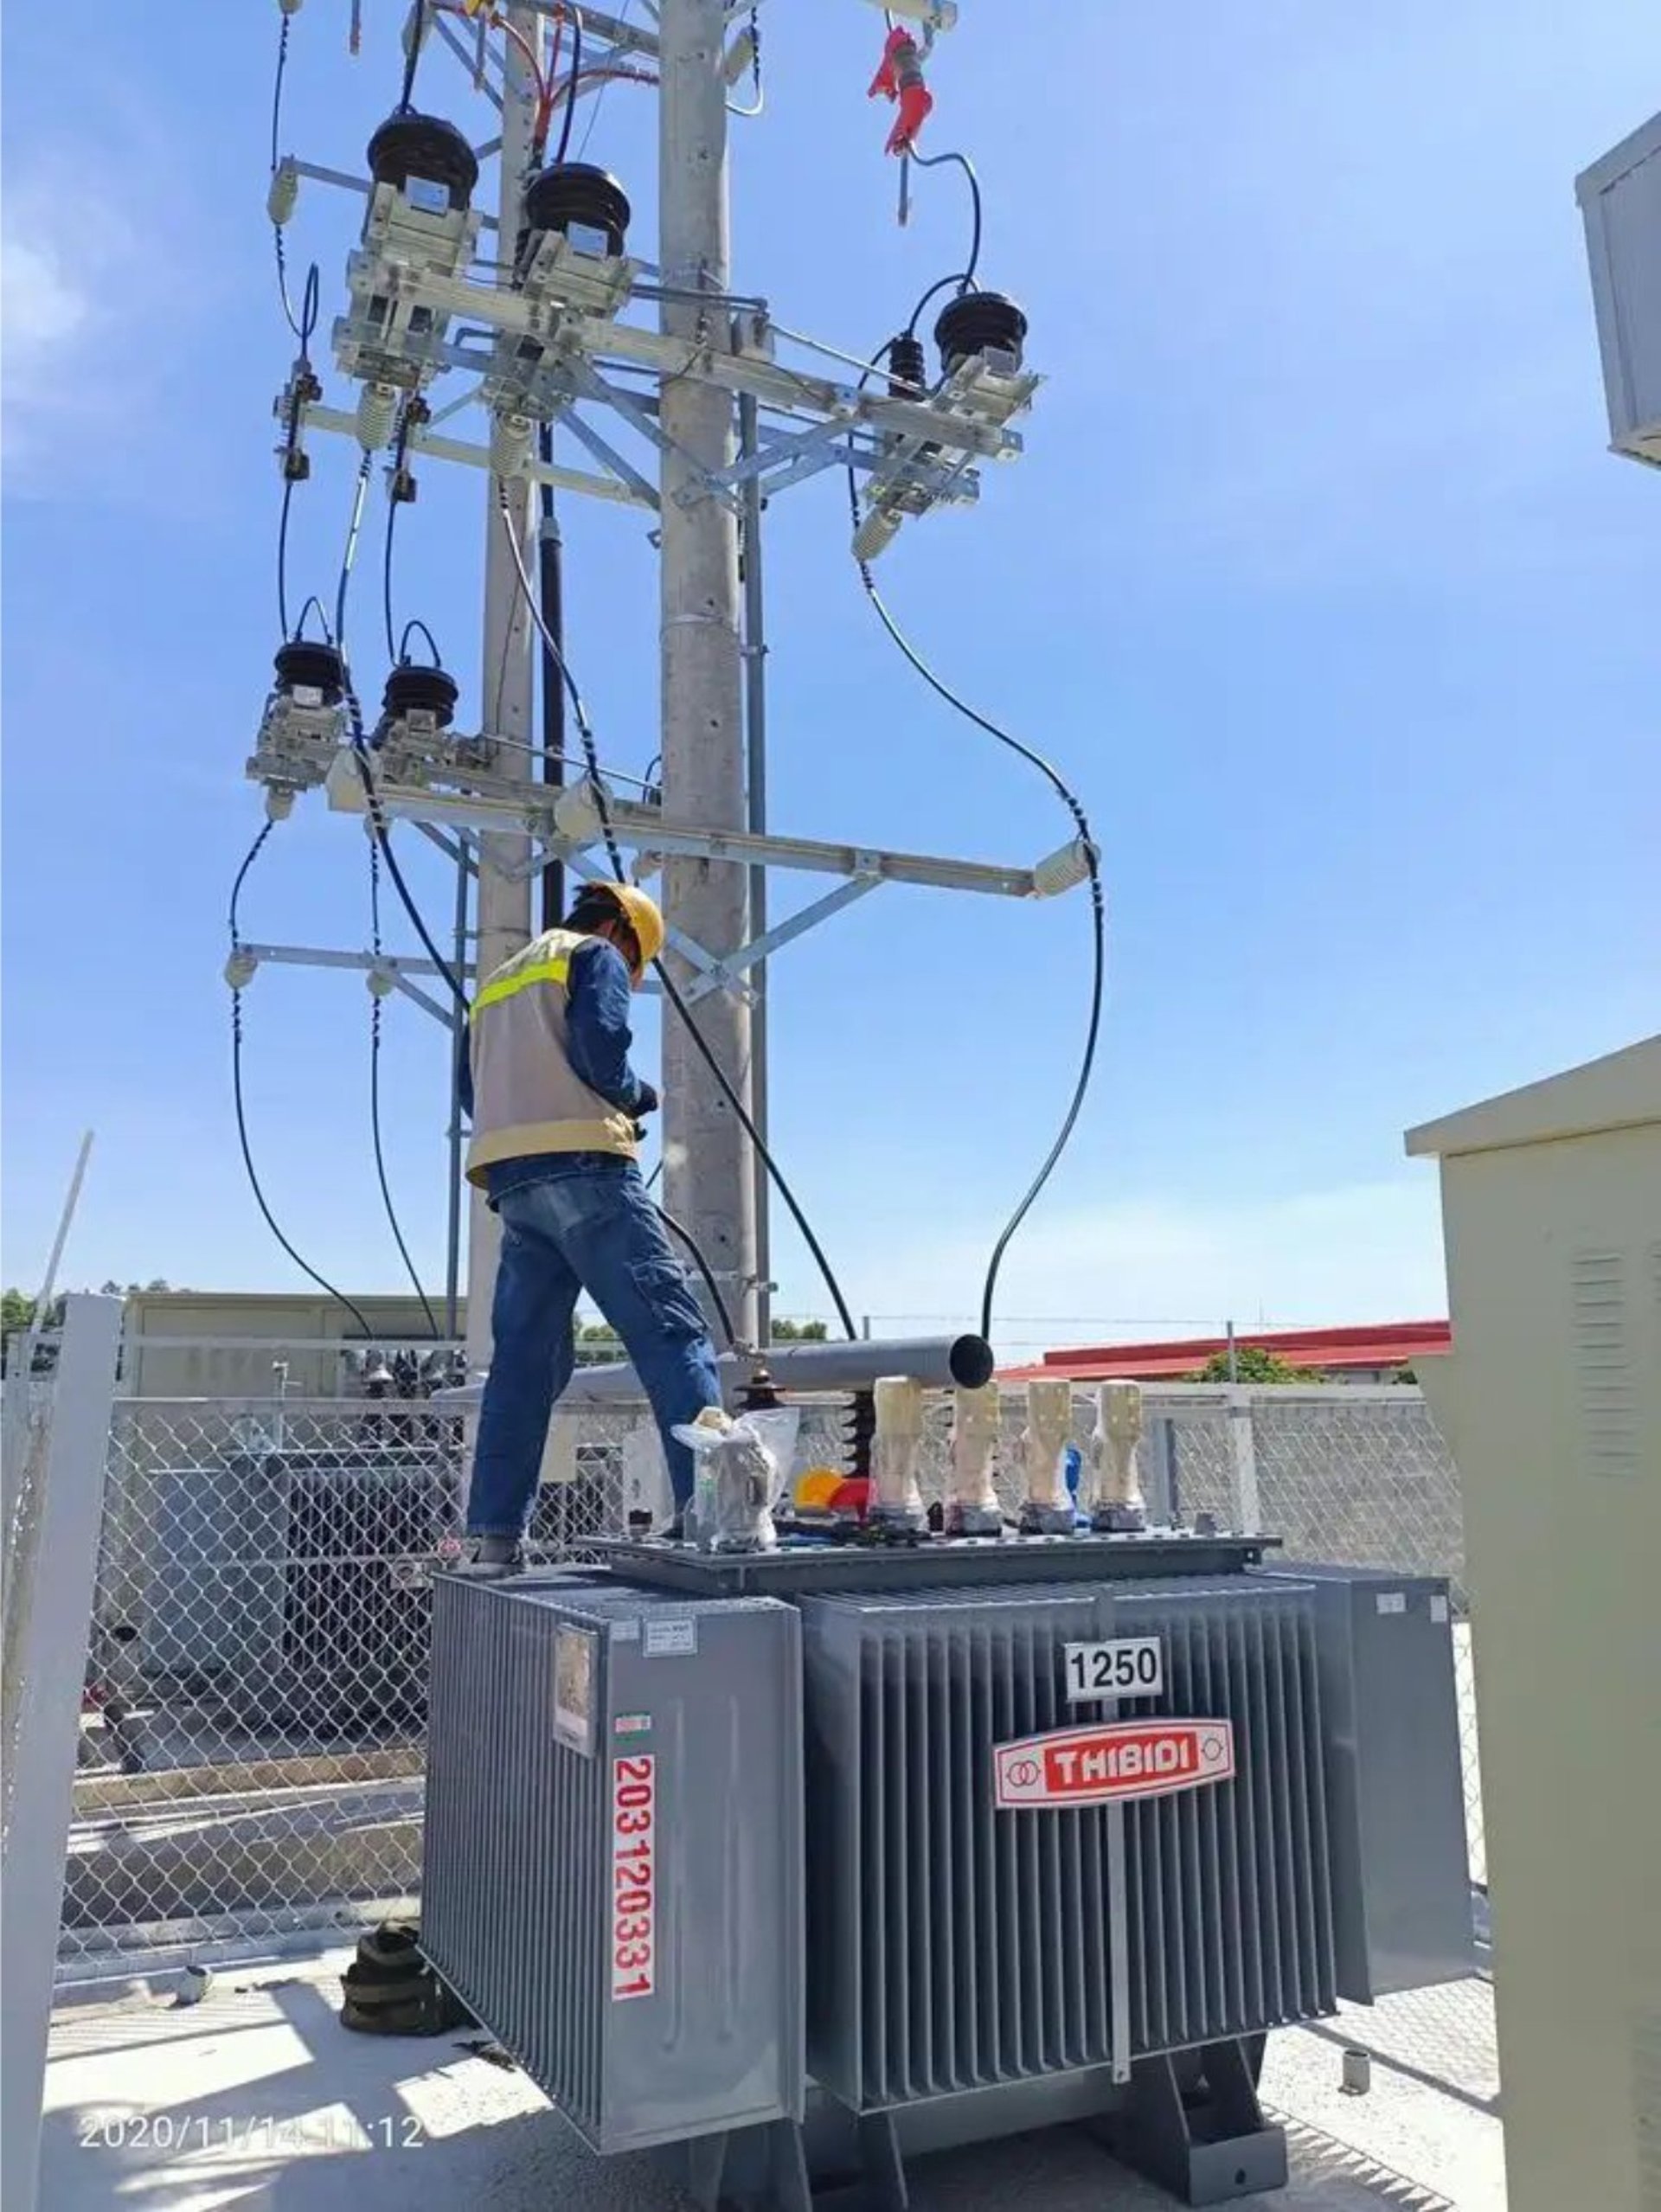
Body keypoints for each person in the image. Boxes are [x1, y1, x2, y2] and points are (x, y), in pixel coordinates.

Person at [457, 882, 723, 1571]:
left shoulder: (493, 986)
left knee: (523, 1364)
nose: (629, 975)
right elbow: (602, 1050)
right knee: (673, 1335)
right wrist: (639, 1096)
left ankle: (491, 1538)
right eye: (636, 965)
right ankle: (716, 1517)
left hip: (513, 1186)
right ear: (620, 928)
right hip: (588, 1170)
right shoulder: (594, 954)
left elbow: (469, 1090)